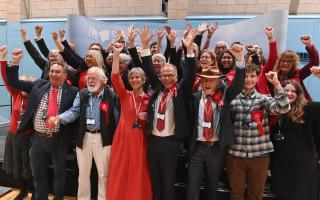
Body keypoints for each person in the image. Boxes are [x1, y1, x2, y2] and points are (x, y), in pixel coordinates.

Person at [6, 49, 78, 200]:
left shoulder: (73, 92)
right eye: (52, 71)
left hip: (59, 139)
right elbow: (13, 82)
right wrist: (15, 61)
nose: (53, 74)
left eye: (58, 72)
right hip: (38, 139)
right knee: (38, 176)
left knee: (59, 174)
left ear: (65, 76)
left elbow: (75, 112)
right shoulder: (39, 84)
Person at [139, 25, 196, 200]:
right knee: (155, 180)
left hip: (171, 143)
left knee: (168, 181)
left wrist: (189, 50)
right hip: (153, 141)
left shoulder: (181, 91)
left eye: (170, 75)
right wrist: (145, 46)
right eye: (164, 75)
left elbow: (191, 73)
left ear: (176, 76)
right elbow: (149, 70)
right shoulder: (157, 90)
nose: (167, 78)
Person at [48, 66, 118, 200]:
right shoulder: (82, 93)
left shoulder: (111, 95)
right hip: (84, 137)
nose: (90, 80)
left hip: (103, 139)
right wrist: (60, 118)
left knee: (104, 174)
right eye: (89, 78)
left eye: (94, 78)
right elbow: (74, 111)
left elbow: (117, 118)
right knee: (83, 173)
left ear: (103, 80)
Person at [186, 45, 245, 200]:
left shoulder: (225, 95)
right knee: (192, 186)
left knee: (212, 187)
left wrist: (239, 60)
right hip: (197, 148)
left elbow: (238, 84)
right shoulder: (194, 97)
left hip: (216, 149)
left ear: (218, 81)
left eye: (211, 80)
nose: (207, 83)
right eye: (205, 80)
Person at [226, 65, 290, 200]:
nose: (248, 79)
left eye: (252, 76)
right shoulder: (232, 99)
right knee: (235, 193)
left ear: (257, 78)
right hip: (236, 154)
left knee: (255, 195)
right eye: (245, 76)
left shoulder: (264, 99)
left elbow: (283, 108)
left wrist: (277, 84)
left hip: (259, 155)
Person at [106, 43, 152, 200]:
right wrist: (117, 54)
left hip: (140, 140)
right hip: (123, 138)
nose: (134, 79)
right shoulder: (125, 95)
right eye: (132, 77)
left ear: (143, 80)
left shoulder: (149, 99)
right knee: (121, 170)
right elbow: (114, 77)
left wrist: (149, 118)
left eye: (137, 77)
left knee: (138, 171)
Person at [270, 79, 320, 200]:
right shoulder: (273, 108)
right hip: (279, 165)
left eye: (293, 91)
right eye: (286, 90)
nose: (289, 93)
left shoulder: (308, 108)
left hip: (302, 165)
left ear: (298, 94)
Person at [0, 46, 35, 200]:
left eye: (26, 84)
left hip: (29, 138)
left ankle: (34, 191)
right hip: (13, 136)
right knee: (16, 166)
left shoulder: (36, 97)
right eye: (21, 83)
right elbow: (6, 78)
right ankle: (22, 191)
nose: (22, 87)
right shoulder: (16, 94)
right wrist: (2, 59)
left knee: (30, 166)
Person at [272, 35, 319, 100]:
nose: (285, 63)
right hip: (283, 107)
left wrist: (309, 45)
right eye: (283, 60)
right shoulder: (274, 76)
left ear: (293, 64)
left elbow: (315, 62)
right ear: (279, 62)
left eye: (289, 61)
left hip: (302, 107)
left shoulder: (299, 73)